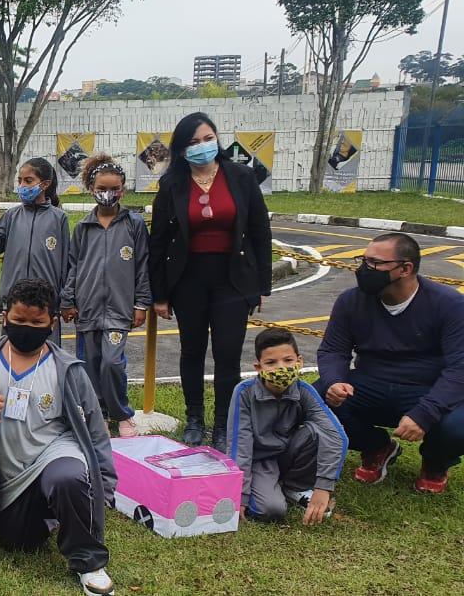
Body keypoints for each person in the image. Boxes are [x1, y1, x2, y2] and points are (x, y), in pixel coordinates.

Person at [0, 278, 116, 596]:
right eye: (19, 321)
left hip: (53, 453)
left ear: (52, 322)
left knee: (69, 477)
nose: (27, 328)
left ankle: (88, 562)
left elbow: (94, 430)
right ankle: (54, 515)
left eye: (37, 322)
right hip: (8, 480)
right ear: (5, 317)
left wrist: (106, 484)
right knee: (18, 542)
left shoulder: (68, 369)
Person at [148, 112, 272, 452]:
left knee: (228, 355)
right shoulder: (172, 183)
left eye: (207, 139)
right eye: (193, 142)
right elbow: (158, 240)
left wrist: (262, 285)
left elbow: (261, 232)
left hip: (234, 279)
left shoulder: (242, 177)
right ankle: (194, 419)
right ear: (181, 149)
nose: (202, 146)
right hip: (188, 280)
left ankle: (223, 423)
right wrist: (159, 295)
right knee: (192, 352)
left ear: (217, 139)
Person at [318, 233, 464, 494]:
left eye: (374, 263)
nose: (364, 269)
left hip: (426, 388)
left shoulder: (450, 304)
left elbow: (460, 368)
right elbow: (333, 349)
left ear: (405, 268)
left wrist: (425, 413)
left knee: (457, 426)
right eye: (363, 261)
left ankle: (435, 462)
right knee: (314, 400)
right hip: (371, 383)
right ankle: (376, 447)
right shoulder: (350, 301)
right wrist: (334, 381)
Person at [60, 154, 150, 437]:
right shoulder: (83, 228)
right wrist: (68, 299)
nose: (108, 194)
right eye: (102, 188)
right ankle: (95, 412)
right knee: (88, 365)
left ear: (123, 189)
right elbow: (73, 266)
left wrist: (141, 303)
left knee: (112, 363)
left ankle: (121, 413)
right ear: (92, 188)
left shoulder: (134, 225)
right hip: (86, 309)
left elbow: (143, 266)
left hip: (120, 309)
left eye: (114, 188)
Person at [229, 328, 346, 524]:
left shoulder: (305, 391)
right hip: (260, 461)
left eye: (288, 360)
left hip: (289, 453)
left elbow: (335, 435)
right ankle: (269, 488)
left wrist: (323, 487)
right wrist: (240, 495)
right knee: (272, 510)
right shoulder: (244, 393)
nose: (281, 368)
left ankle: (295, 486)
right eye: (271, 363)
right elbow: (240, 446)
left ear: (299, 361)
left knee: (316, 432)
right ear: (258, 367)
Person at [0, 157, 69, 346]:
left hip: (46, 302)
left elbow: (65, 264)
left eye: (28, 181)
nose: (22, 186)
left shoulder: (59, 218)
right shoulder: (12, 216)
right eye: (20, 181)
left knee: (46, 355)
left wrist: (64, 299)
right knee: (11, 354)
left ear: (45, 184)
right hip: (14, 301)